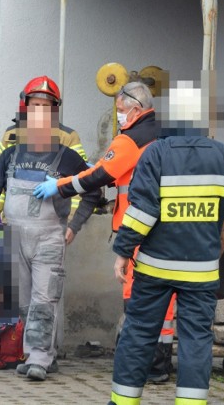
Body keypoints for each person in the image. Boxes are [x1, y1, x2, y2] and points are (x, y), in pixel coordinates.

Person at [106, 104, 224, 405]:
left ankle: (122, 402)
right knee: (196, 341)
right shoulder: (222, 155)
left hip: (154, 270)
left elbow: (142, 211)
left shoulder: (155, 153)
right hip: (201, 271)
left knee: (139, 337)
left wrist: (123, 250)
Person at [33, 81, 177, 382]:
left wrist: (58, 186)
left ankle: (142, 365)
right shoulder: (164, 135)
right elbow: (123, 175)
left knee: (136, 297)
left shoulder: (129, 140)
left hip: (139, 230)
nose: (119, 116)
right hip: (168, 228)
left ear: (136, 109)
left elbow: (97, 177)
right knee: (164, 303)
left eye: (121, 111)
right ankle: (160, 364)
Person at [0, 97, 100, 382]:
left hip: (49, 236)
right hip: (12, 234)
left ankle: (39, 360)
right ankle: (33, 353)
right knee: (19, 302)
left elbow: (93, 190)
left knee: (45, 298)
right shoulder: (11, 154)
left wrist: (75, 225)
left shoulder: (68, 157)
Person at [0, 75, 88, 220]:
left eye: (46, 106)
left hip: (50, 227)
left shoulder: (67, 137)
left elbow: (79, 181)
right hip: (12, 222)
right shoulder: (11, 135)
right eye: (35, 105)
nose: (40, 111)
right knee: (1, 241)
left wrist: (70, 224)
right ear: (25, 105)